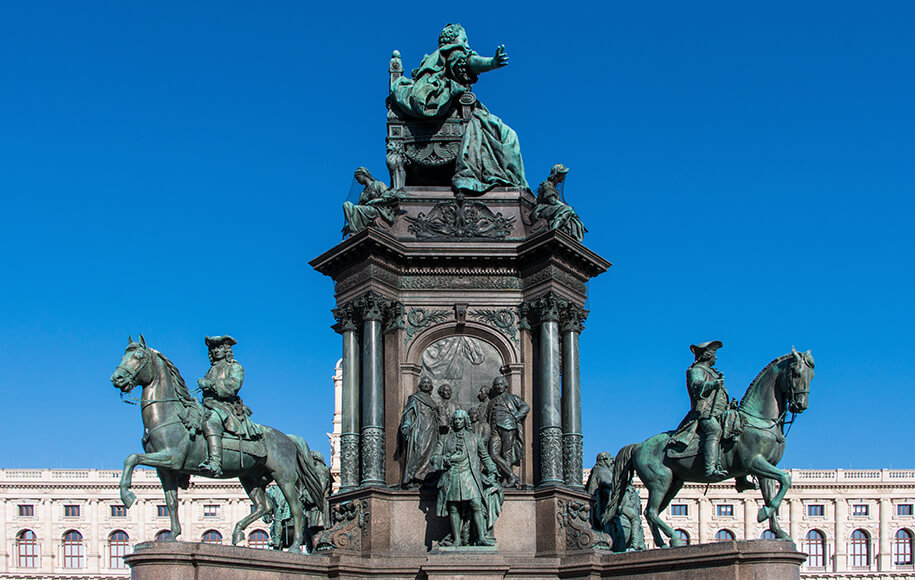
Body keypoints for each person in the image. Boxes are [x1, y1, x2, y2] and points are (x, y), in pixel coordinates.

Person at [389, 24, 529, 193]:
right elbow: (468, 64)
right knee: (508, 135)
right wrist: (491, 63)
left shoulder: (431, 62)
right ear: (453, 41)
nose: (467, 45)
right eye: (464, 40)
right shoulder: (454, 52)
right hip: (456, 112)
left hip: (438, 110)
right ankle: (504, 181)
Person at [431, 409, 499, 547]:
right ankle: (456, 539)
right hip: (452, 475)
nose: (457, 422)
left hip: (469, 475)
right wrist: (446, 459)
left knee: (476, 504)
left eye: (460, 419)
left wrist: (493, 470)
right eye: (455, 419)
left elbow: (485, 456)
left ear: (465, 421)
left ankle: (481, 537)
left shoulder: (474, 437)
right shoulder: (444, 439)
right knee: (453, 507)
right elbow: (434, 458)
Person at [197, 336, 262, 477]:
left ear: (226, 350)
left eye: (219, 347)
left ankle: (215, 462)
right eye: (213, 348)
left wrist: (209, 384)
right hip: (208, 405)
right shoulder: (211, 370)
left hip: (225, 407)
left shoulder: (234, 366)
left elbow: (234, 385)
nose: (216, 351)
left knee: (211, 422)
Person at [395, 376, 440, 488]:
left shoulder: (431, 400)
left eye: (428, 383)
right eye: (424, 383)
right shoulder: (415, 398)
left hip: (432, 431)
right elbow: (409, 413)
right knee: (418, 453)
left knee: (430, 454)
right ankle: (413, 478)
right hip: (420, 429)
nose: (426, 385)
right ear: (420, 386)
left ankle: (427, 478)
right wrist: (406, 425)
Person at [486, 375, 530, 488]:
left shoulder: (512, 398)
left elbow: (525, 407)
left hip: (508, 426)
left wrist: (517, 416)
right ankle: (511, 475)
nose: (499, 386)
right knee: (493, 454)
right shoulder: (491, 402)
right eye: (496, 385)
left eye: (501, 384)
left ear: (506, 386)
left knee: (507, 453)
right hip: (494, 428)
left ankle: (507, 478)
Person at [531, 164, 585, 241]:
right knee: (568, 210)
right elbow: (552, 201)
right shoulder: (547, 185)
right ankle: (554, 228)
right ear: (557, 174)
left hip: (553, 210)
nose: (563, 178)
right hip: (541, 210)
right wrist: (569, 209)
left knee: (575, 221)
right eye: (563, 175)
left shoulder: (555, 190)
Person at [342, 167, 400, 236]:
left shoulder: (378, 184)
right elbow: (359, 208)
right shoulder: (363, 193)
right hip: (367, 211)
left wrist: (375, 201)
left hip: (378, 210)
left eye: (358, 178)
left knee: (356, 208)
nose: (357, 181)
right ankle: (353, 228)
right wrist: (351, 221)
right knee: (347, 205)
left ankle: (354, 231)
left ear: (363, 175)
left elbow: (390, 197)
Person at [585, 452, 614, 534]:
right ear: (604, 460)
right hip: (600, 504)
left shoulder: (602, 470)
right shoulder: (602, 470)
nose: (611, 461)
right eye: (609, 459)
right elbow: (608, 486)